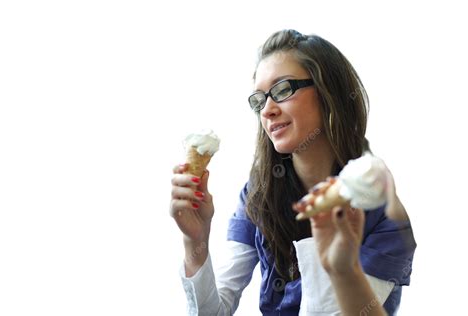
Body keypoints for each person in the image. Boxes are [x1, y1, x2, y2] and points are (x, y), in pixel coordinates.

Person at [170, 29, 416, 315]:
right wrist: (195, 240)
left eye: (283, 89)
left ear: (328, 93)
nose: (267, 110)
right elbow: (213, 312)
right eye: (259, 100)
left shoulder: (382, 214)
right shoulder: (258, 194)